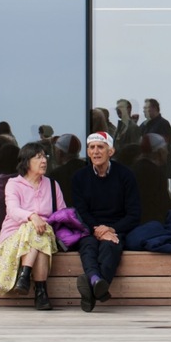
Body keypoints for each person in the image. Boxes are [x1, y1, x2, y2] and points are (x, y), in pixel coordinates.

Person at [69, 131, 140, 312]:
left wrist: (110, 229)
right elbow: (81, 212)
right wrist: (97, 229)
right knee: (88, 245)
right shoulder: (79, 177)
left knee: (110, 246)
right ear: (87, 152)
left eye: (100, 147)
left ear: (111, 151)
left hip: (116, 228)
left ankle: (93, 284)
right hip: (89, 227)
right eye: (91, 147)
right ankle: (97, 285)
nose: (96, 151)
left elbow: (134, 214)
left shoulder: (126, 175)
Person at [0, 142, 64, 310]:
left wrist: (42, 222)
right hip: (14, 236)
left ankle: (25, 274)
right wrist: (32, 217)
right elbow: (13, 210)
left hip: (44, 233)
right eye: (38, 157)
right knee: (34, 230)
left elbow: (62, 213)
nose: (44, 161)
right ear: (26, 162)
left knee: (40, 232)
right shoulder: (13, 184)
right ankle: (41, 293)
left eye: (45, 156)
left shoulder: (52, 185)